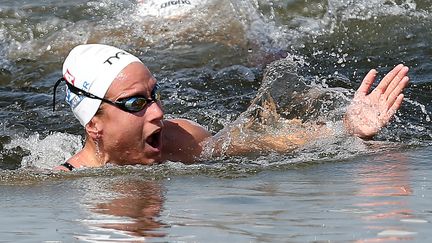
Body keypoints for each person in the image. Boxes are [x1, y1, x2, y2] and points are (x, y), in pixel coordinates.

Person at [52, 44, 409, 171]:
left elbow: (261, 141)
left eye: (155, 94)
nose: (158, 111)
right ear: (93, 123)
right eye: (136, 103)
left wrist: (346, 130)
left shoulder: (179, 141)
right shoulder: (61, 183)